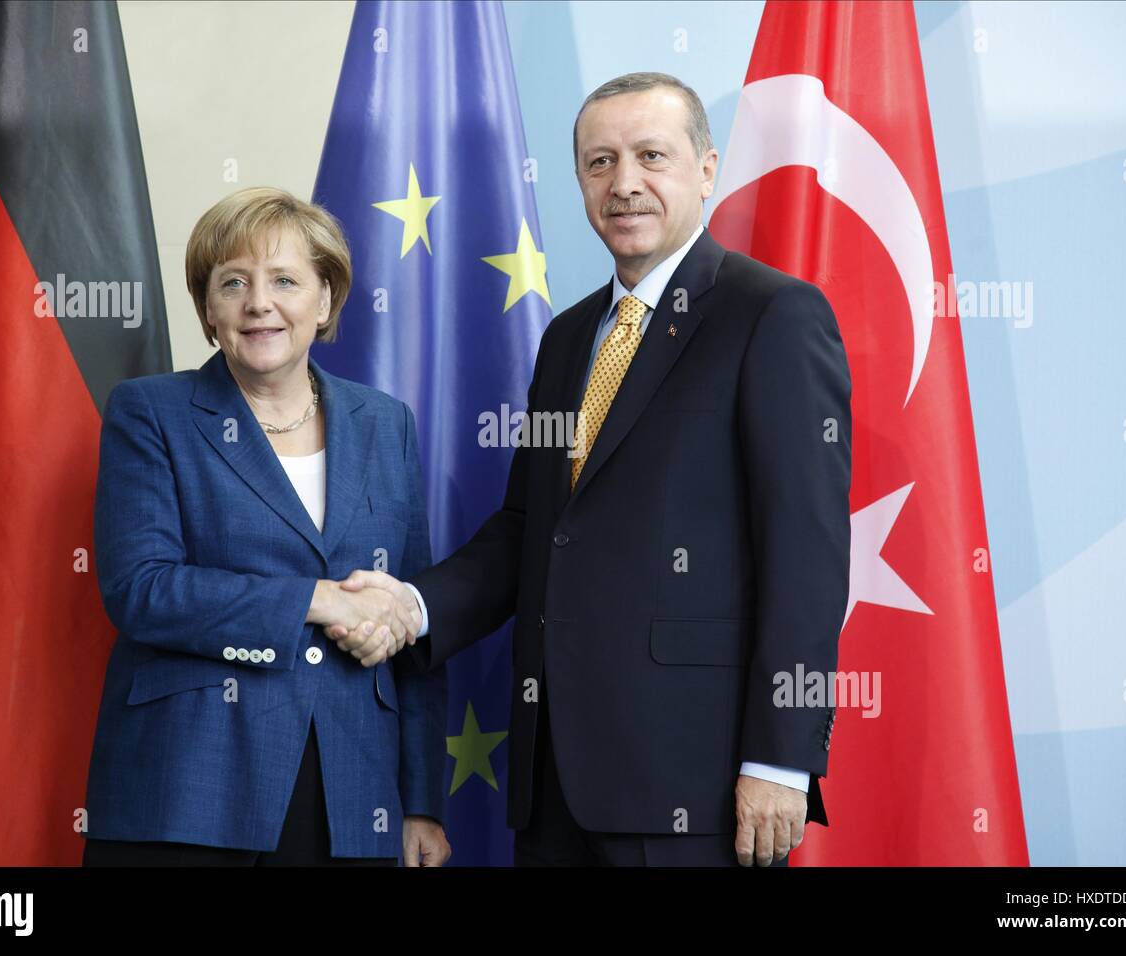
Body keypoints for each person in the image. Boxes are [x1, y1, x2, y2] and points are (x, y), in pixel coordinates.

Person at [333, 73, 852, 867]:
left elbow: (807, 555)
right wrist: (412, 604)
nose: (625, 183)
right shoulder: (570, 336)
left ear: (707, 170)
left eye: (652, 156)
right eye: (600, 162)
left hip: (698, 783)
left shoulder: (772, 315)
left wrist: (779, 759)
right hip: (553, 784)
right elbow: (527, 533)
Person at [82, 186, 449, 866]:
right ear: (207, 309)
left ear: (326, 300)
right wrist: (318, 598)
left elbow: (409, 617)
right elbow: (142, 589)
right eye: (233, 283)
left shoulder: (386, 424)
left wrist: (420, 799)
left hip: (353, 791)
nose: (260, 303)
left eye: (285, 280)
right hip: (190, 789)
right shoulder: (151, 413)